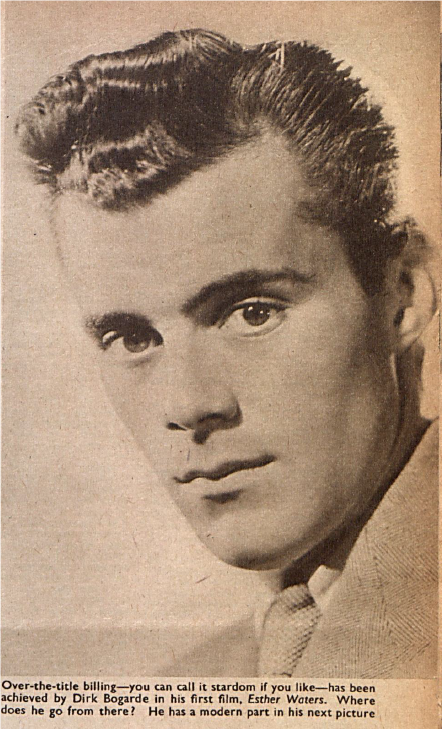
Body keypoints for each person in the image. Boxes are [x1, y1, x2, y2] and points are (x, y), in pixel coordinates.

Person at [15, 28, 438, 678]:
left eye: (252, 312)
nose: (189, 405)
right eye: (133, 338)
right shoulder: (191, 687)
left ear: (403, 298)